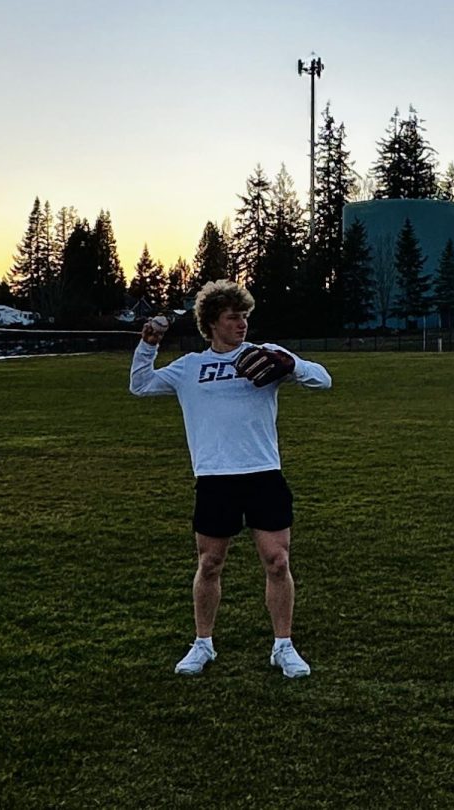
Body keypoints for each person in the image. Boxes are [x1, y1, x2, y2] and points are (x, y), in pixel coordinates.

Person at [129, 280, 332, 678]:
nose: (242, 324)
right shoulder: (189, 367)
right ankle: (202, 644)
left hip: (263, 475)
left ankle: (283, 646)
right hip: (215, 479)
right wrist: (148, 344)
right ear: (211, 323)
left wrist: (292, 365)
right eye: (233, 317)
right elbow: (140, 385)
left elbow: (323, 379)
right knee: (210, 563)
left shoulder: (266, 355)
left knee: (277, 562)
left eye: (245, 316)